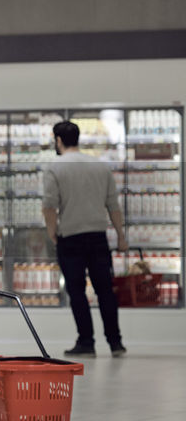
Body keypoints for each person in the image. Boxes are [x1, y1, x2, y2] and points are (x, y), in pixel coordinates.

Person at [42, 120, 127, 356]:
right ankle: (115, 342)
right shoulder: (100, 166)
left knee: (77, 292)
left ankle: (86, 342)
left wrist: (52, 231)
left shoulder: (55, 167)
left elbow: (49, 205)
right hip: (98, 237)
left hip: (70, 238)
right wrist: (121, 236)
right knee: (105, 290)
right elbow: (114, 206)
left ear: (58, 140)